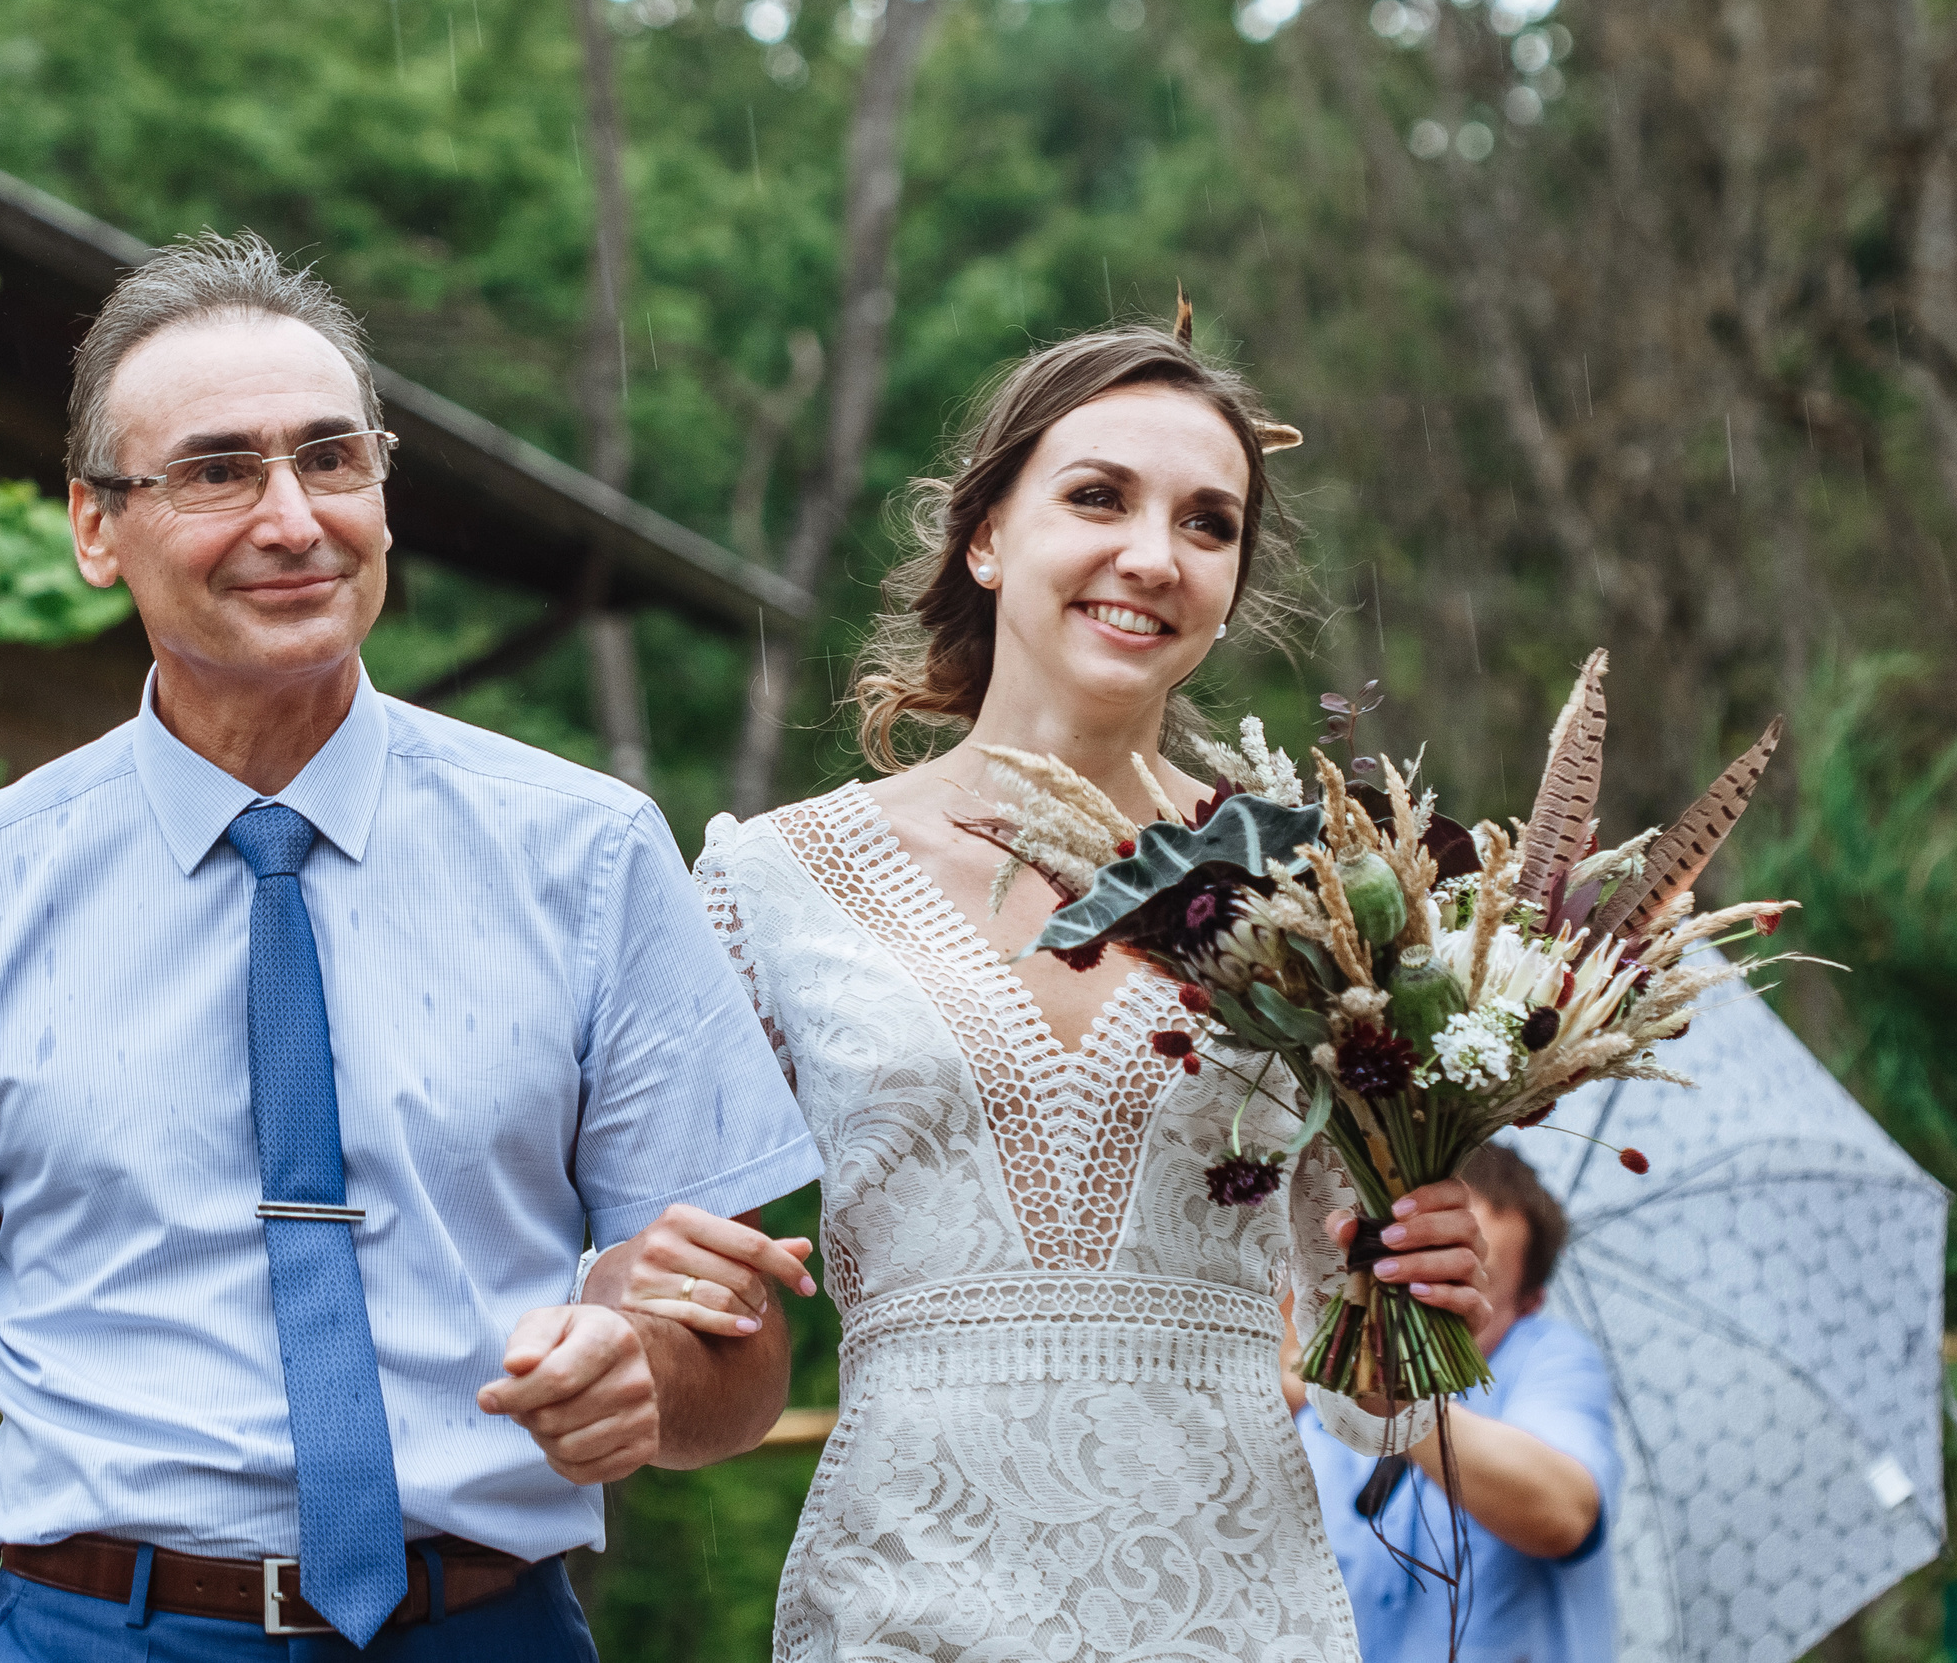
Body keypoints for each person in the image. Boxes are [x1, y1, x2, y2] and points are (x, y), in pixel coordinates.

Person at [0, 232, 823, 1662]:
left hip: (488, 1628)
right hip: (96, 1635)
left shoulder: (592, 855)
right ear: (95, 524)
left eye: (333, 458)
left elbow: (738, 1365)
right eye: (217, 470)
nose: (293, 517)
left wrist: (644, 1367)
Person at [594, 311, 1492, 1661]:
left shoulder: (1326, 892)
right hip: (907, 1609)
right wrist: (642, 1297)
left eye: (1208, 522)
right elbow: (682, 1306)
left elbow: (1374, 1401)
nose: (1152, 553)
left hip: (1230, 1617)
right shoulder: (773, 882)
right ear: (988, 534)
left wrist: (1424, 1293)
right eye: (1097, 497)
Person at [1292, 1143, 1620, 1663]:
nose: (1423, 1285)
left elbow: (1562, 1514)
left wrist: (1400, 1403)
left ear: (1527, 1304)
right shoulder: (1321, 1386)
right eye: (1412, 1254)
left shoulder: (1549, 1356)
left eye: (1464, 1270)